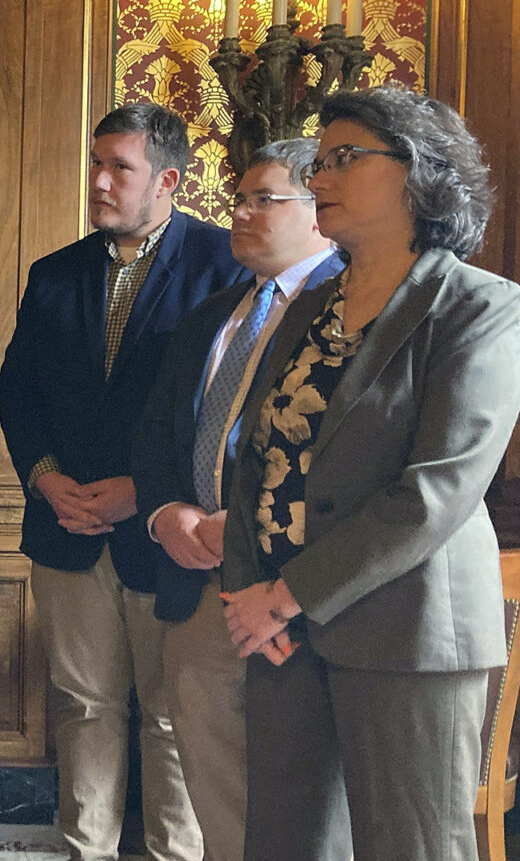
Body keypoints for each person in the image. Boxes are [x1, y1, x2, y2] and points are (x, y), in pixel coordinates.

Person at [219, 85, 520, 861]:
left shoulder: (481, 309)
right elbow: (256, 460)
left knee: (410, 848)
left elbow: (435, 492)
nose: (319, 177)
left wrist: (287, 595)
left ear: (419, 172)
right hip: (286, 632)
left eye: (345, 158)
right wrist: (250, 592)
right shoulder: (309, 307)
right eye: (318, 162)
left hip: (408, 633)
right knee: (284, 846)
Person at [0, 102, 247, 861]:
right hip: (67, 529)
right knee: (83, 707)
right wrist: (45, 480)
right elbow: (17, 391)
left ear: (168, 178)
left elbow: (223, 404)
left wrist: (144, 490)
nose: (99, 182)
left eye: (119, 169)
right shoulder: (55, 273)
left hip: (168, 532)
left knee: (173, 718)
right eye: (95, 164)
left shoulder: (222, 268)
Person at [130, 138, 341, 861]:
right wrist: (167, 515)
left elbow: (346, 458)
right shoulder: (213, 311)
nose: (241, 214)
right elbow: (157, 431)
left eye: (264, 200)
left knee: (299, 807)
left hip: (294, 593)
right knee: (213, 787)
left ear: (320, 210)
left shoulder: (351, 307)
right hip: (198, 587)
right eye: (238, 199)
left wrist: (248, 528)